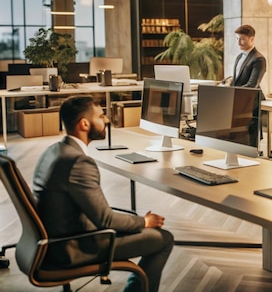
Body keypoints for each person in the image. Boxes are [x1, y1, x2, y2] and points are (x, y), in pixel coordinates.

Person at [32, 95, 174, 292]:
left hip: (54, 241)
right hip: (73, 248)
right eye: (100, 116)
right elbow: (105, 221)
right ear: (84, 124)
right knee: (163, 238)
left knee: (136, 225)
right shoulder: (79, 163)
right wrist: (144, 222)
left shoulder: (55, 151)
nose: (106, 120)